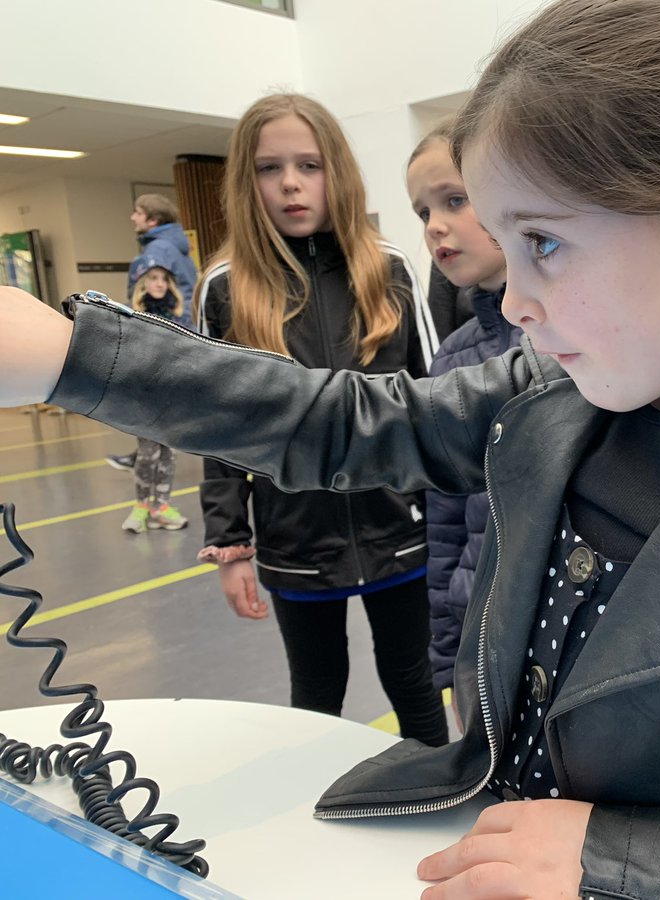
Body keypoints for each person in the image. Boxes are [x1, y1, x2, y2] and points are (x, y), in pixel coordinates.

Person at [0, 1, 660, 895]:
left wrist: (623, 861)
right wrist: (64, 356)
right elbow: (341, 421)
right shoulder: (544, 395)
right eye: (507, 248)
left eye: (546, 242)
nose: (514, 297)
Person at [190, 93, 448, 746]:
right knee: (316, 690)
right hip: (295, 538)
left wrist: (453, 515)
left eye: (308, 165)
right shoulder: (224, 288)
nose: (291, 184)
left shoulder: (389, 269)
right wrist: (232, 543)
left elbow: (438, 399)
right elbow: (214, 427)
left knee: (414, 683)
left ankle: (442, 807)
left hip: (401, 531)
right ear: (247, 184)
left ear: (337, 170)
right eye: (269, 168)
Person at [406, 124, 518, 711]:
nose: (434, 226)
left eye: (455, 200)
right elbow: (446, 520)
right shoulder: (453, 357)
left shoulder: (578, 336)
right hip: (481, 638)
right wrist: (450, 655)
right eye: (423, 210)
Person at [107, 193, 200, 472]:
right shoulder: (174, 247)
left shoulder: (158, 250)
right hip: (178, 330)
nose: (133, 217)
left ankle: (148, 462)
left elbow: (150, 295)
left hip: (162, 334)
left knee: (150, 402)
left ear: (153, 219)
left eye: (137, 212)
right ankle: (146, 454)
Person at [120, 259, 191, 534]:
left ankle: (161, 506)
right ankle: (140, 507)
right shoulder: (133, 317)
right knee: (148, 452)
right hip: (144, 395)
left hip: (171, 394)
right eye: (153, 278)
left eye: (164, 278)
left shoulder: (178, 318)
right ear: (142, 284)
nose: (159, 283)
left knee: (168, 452)